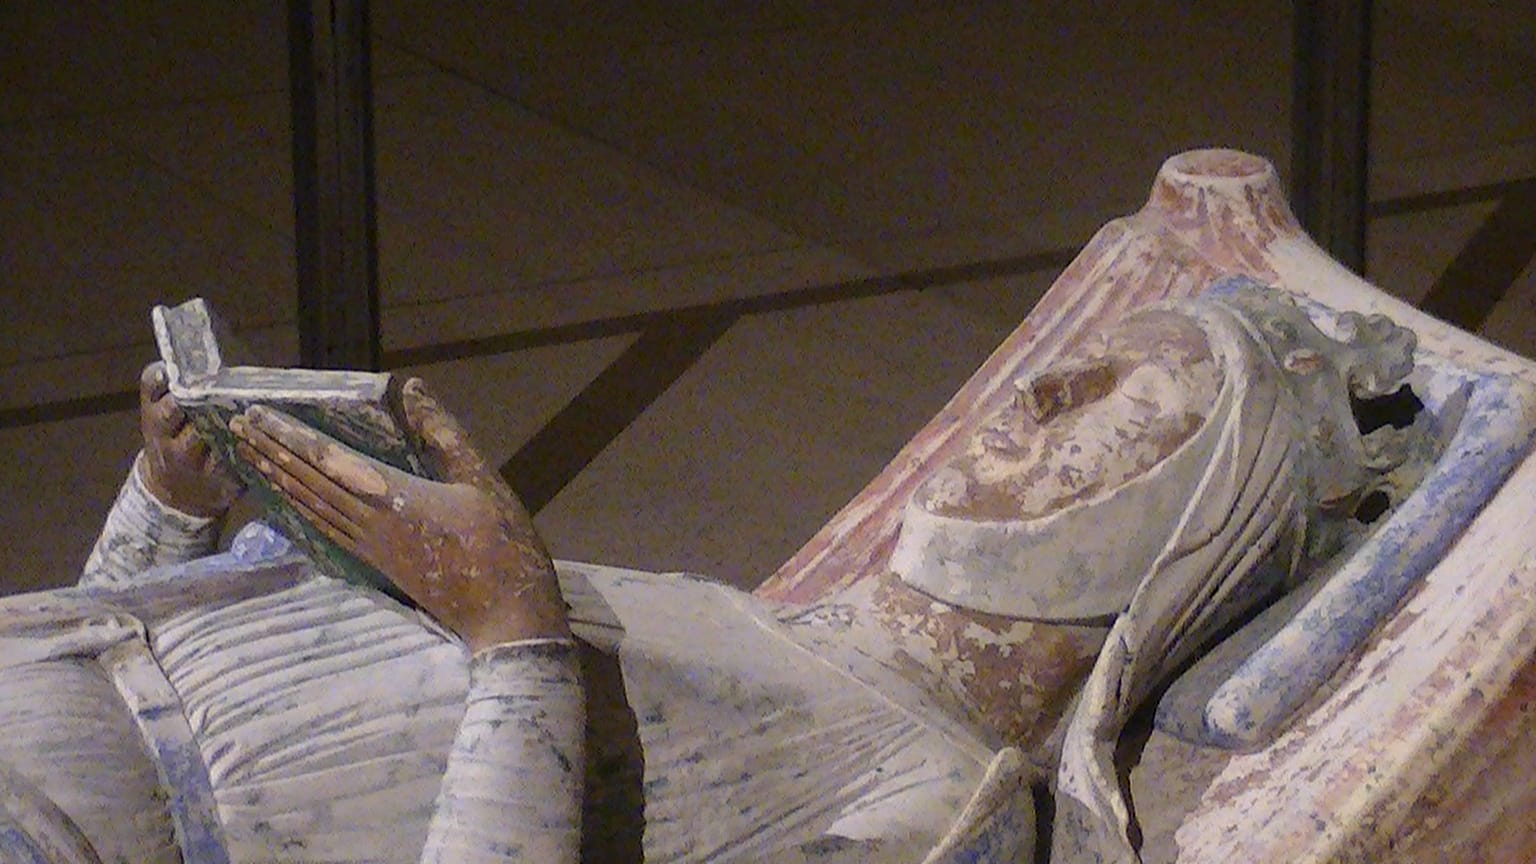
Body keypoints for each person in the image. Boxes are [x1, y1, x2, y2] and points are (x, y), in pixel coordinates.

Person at [0, 281, 1421, 863]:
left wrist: (515, 641)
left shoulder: (929, 795)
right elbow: (121, 665)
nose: (1039, 396)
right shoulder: (794, 644)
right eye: (1076, 365)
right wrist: (166, 520)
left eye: (1125, 401)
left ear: (1201, 533)